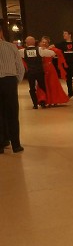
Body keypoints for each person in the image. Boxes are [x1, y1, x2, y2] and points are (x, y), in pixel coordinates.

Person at [0, 21, 25, 154]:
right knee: (12, 114)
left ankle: (0, 145)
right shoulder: (11, 47)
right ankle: (16, 145)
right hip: (9, 81)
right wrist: (15, 81)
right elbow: (20, 67)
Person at [19, 36, 54, 109]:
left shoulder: (22, 51)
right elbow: (52, 53)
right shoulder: (40, 49)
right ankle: (43, 102)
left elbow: (14, 54)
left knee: (32, 88)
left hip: (30, 72)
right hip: (39, 71)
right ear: (34, 42)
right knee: (42, 86)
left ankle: (35, 104)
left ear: (26, 43)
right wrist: (47, 48)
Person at [40, 36, 70, 106]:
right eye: (43, 42)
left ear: (48, 43)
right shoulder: (39, 50)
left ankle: (54, 100)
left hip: (50, 68)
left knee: (52, 84)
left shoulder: (51, 50)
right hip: (42, 69)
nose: (44, 43)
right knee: (44, 84)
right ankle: (44, 100)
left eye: (45, 42)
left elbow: (58, 53)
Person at [55, 31, 73, 101]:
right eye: (63, 34)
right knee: (68, 79)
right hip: (66, 64)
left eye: (65, 33)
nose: (63, 35)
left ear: (70, 35)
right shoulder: (62, 44)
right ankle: (70, 93)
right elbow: (53, 46)